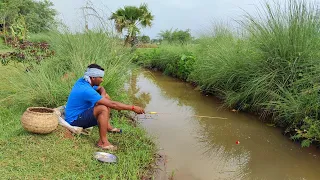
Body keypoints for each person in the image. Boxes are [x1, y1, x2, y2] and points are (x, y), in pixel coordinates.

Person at [65, 63, 145, 150]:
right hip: (74, 120)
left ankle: (108, 126)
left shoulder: (84, 81)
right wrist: (133, 108)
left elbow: (101, 88)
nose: (102, 80)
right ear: (93, 78)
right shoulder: (86, 90)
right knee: (102, 108)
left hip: (81, 112)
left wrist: (103, 96)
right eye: (101, 77)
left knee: (106, 97)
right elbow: (113, 105)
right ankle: (103, 142)